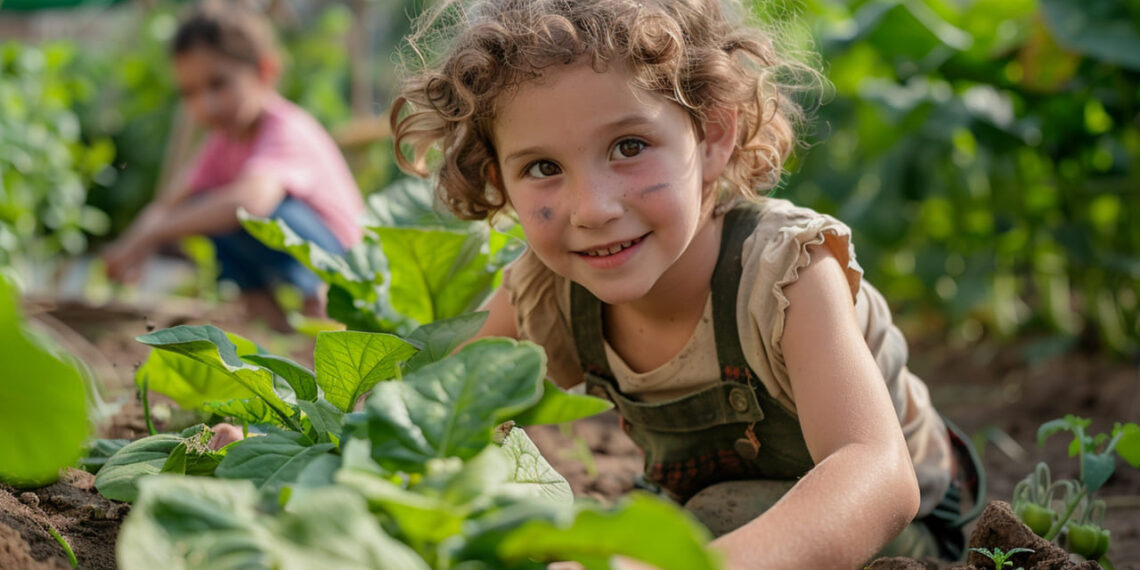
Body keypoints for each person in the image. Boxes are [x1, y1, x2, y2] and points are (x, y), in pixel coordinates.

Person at [390, 0, 983, 567]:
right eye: (543, 168)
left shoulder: (787, 273)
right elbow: (445, 408)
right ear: (501, 180)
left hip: (907, 521)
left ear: (713, 137)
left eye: (629, 147)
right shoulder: (547, 292)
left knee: (705, 518)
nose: (592, 209)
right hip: (710, 515)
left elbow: (878, 473)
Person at [102, 1, 364, 332]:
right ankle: (281, 337)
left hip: (349, 270)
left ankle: (329, 332)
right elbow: (171, 202)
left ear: (264, 72)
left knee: (262, 212)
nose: (205, 105)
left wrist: (158, 231)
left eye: (218, 84)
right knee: (207, 217)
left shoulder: (285, 128)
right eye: (190, 93)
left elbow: (250, 201)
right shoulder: (222, 143)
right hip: (309, 263)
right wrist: (134, 243)